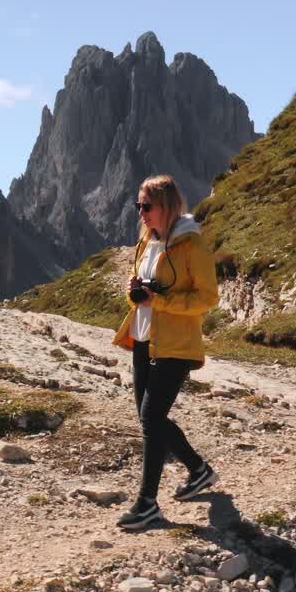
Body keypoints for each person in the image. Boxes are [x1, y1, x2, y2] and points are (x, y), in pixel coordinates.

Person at [111, 174, 220, 530]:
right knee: (149, 418)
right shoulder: (147, 241)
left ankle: (147, 503)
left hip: (176, 344)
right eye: (138, 206)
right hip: (144, 339)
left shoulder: (192, 245)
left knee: (151, 418)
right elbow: (139, 293)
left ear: (168, 207)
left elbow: (207, 298)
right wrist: (136, 292)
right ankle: (199, 470)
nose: (141, 213)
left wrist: (162, 300)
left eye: (147, 207)